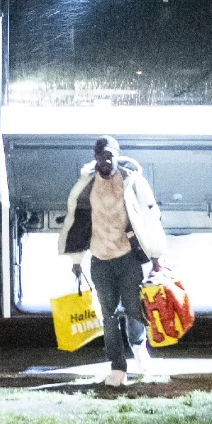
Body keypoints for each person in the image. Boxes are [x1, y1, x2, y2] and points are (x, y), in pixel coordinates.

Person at [63, 136, 168, 387]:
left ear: (117, 156)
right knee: (108, 315)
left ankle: (140, 351)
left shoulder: (133, 181)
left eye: (110, 155)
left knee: (134, 310)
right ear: (96, 157)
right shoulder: (86, 184)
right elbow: (78, 221)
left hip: (127, 257)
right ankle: (118, 368)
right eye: (101, 155)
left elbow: (151, 217)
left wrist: (156, 255)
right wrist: (77, 259)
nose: (106, 160)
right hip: (100, 259)